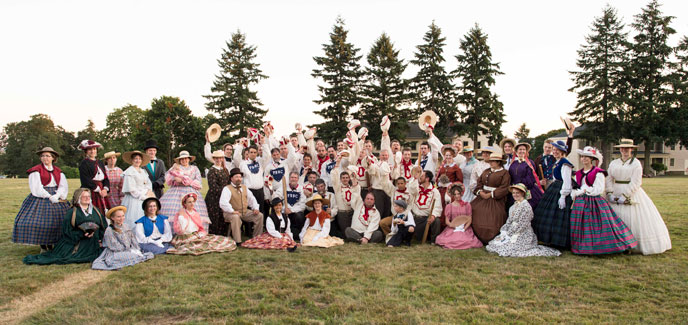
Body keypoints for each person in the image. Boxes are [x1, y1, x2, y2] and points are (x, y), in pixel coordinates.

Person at [606, 139, 671, 255]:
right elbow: (609, 178)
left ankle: (630, 244)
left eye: (627, 148)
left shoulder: (636, 163)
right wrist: (610, 193)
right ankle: (616, 244)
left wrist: (625, 196)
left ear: (631, 149)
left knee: (630, 218)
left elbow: (636, 182)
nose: (624, 150)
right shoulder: (614, 163)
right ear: (619, 149)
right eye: (622, 148)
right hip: (615, 190)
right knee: (614, 218)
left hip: (630, 192)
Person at [570, 146, 637, 255]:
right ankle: (583, 245)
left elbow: (599, 189)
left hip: (594, 201)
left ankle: (612, 245)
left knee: (599, 225)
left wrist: (584, 191)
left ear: (592, 159)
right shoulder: (579, 172)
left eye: (587, 157)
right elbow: (578, 185)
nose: (584, 159)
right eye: (582, 157)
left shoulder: (598, 172)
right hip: (580, 202)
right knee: (582, 226)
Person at [24, 188, 107, 265]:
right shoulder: (72, 212)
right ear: (78, 198)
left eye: (88, 196)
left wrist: (100, 239)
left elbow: (103, 226)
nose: (87, 198)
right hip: (78, 243)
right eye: (84, 196)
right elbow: (67, 232)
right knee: (72, 257)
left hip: (94, 242)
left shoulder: (96, 211)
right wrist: (82, 234)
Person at [12, 147, 70, 252]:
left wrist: (57, 196)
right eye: (43, 156)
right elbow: (36, 188)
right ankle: (43, 246)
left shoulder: (59, 172)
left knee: (59, 221)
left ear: (53, 158)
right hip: (41, 197)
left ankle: (54, 243)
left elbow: (63, 186)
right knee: (41, 223)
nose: (45, 158)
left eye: (48, 156)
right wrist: (49, 196)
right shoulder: (36, 171)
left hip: (56, 196)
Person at [485, 184, 561, 257]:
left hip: (522, 232)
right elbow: (509, 221)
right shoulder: (513, 206)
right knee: (494, 244)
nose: (515, 195)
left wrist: (510, 233)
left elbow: (523, 224)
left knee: (508, 249)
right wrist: (504, 231)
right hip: (512, 230)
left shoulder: (526, 207)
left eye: (517, 193)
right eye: (513, 193)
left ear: (523, 193)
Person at [532, 140, 574, 248]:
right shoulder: (558, 162)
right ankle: (548, 239)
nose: (555, 152)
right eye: (554, 150)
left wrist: (563, 196)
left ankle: (558, 241)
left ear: (562, 151)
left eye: (557, 150)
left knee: (558, 217)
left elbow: (567, 181)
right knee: (546, 214)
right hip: (554, 188)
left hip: (560, 189)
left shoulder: (565, 163)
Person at [167, 193, 237, 255]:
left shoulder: (195, 213)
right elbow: (181, 230)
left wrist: (200, 234)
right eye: (189, 202)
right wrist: (182, 216)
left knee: (213, 241)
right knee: (198, 245)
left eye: (193, 202)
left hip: (195, 234)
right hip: (185, 237)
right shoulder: (181, 214)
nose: (192, 204)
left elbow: (199, 227)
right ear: (185, 204)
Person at [92, 206, 154, 270]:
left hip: (129, 250)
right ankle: (132, 257)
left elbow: (133, 239)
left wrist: (135, 249)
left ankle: (134, 256)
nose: (121, 218)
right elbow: (114, 246)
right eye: (118, 217)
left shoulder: (126, 226)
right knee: (126, 256)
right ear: (112, 218)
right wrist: (128, 250)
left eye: (123, 216)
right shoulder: (109, 230)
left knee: (139, 253)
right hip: (115, 252)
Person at [160, 151, 210, 229]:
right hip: (176, 191)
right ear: (179, 160)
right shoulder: (176, 168)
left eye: (186, 158)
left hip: (191, 191)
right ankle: (175, 230)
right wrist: (175, 180)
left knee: (192, 207)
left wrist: (186, 181)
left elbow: (199, 182)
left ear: (189, 159)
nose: (184, 160)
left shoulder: (194, 168)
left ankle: (193, 230)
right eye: (182, 159)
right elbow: (168, 179)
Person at [471, 152, 511, 244]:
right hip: (482, 197)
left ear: (498, 162)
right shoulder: (486, 171)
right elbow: (479, 183)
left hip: (495, 198)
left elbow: (504, 187)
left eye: (493, 161)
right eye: (490, 161)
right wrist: (480, 192)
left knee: (493, 215)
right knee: (474, 208)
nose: (491, 163)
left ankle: (490, 237)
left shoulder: (504, 173)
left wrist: (491, 194)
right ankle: (475, 236)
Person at [219, 168, 264, 244]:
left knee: (259, 215)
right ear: (231, 178)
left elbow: (252, 199)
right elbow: (223, 203)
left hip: (244, 212)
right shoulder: (227, 189)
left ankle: (256, 237)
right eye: (236, 177)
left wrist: (255, 208)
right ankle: (238, 241)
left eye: (240, 177)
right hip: (230, 213)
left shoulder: (244, 187)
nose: (239, 179)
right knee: (236, 217)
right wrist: (232, 211)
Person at [434, 183, 483, 250]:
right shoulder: (449, 206)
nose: (457, 196)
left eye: (458, 194)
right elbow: (447, 221)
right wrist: (454, 226)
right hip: (453, 227)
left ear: (461, 194)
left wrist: (464, 228)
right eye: (455, 194)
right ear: (452, 195)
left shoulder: (467, 205)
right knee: (449, 239)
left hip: (465, 228)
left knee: (466, 240)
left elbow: (469, 219)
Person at [345, 176, 384, 244]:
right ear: (364, 199)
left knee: (378, 234)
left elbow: (372, 226)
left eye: (371, 199)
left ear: (374, 201)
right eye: (367, 198)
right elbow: (356, 195)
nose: (369, 201)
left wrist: (366, 237)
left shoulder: (376, 212)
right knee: (348, 230)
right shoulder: (358, 204)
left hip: (367, 233)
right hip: (356, 231)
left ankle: (361, 240)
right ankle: (361, 240)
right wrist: (355, 186)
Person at [121, 150, 154, 229]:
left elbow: (148, 183)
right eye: (135, 159)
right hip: (134, 199)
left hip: (145, 195)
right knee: (134, 218)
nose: (137, 160)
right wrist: (143, 197)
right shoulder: (129, 172)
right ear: (132, 160)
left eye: (139, 159)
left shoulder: (143, 171)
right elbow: (131, 189)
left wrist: (148, 191)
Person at [408, 170, 443, 243]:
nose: (420, 177)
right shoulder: (416, 188)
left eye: (422, 176)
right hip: (415, 218)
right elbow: (411, 188)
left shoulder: (435, 191)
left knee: (436, 221)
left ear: (427, 179)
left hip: (426, 220)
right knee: (417, 239)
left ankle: (433, 241)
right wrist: (415, 178)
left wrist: (433, 216)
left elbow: (437, 206)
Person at [77, 139, 110, 214]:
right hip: (91, 191)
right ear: (86, 151)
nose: (92, 151)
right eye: (90, 149)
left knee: (104, 211)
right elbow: (85, 180)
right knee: (92, 210)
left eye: (94, 149)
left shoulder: (100, 163)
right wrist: (98, 189)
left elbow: (105, 178)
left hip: (102, 191)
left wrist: (105, 189)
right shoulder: (84, 163)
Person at [508, 142, 544, 209]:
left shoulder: (530, 163)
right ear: (516, 151)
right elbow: (510, 176)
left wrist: (520, 187)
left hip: (526, 189)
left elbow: (530, 179)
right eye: (520, 149)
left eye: (524, 149)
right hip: (514, 190)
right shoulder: (513, 163)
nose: (522, 151)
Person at [206, 150, 232, 236]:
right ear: (214, 159)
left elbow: (228, 182)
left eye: (220, 158)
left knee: (223, 215)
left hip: (224, 197)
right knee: (215, 216)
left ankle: (223, 234)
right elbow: (213, 186)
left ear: (222, 158)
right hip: (214, 198)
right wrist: (225, 193)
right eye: (216, 158)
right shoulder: (212, 170)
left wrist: (228, 193)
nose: (218, 160)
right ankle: (214, 234)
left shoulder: (225, 170)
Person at [278, 171, 308, 241]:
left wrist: (291, 210)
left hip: (295, 213)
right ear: (289, 178)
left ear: (298, 179)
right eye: (292, 177)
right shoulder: (283, 187)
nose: (293, 179)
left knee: (299, 216)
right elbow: (278, 197)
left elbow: (303, 205)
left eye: (295, 177)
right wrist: (284, 209)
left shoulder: (301, 189)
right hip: (285, 211)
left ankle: (298, 232)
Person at [332, 158, 355, 236]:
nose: (345, 179)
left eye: (346, 178)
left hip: (351, 212)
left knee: (351, 230)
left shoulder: (352, 188)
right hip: (342, 213)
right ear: (340, 179)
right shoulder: (338, 188)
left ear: (349, 178)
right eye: (343, 178)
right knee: (345, 233)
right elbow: (334, 177)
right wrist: (337, 165)